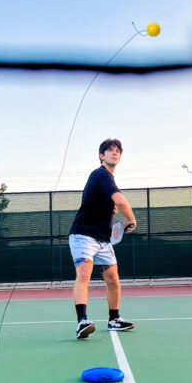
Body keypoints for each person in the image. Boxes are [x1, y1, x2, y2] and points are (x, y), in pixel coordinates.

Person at [69, 138, 136, 339]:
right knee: (84, 274)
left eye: (117, 151)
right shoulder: (100, 175)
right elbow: (120, 200)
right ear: (101, 156)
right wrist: (131, 218)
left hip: (103, 240)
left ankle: (114, 319)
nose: (114, 153)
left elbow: (111, 204)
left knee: (113, 279)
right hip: (83, 236)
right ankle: (82, 322)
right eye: (110, 150)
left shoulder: (108, 180)